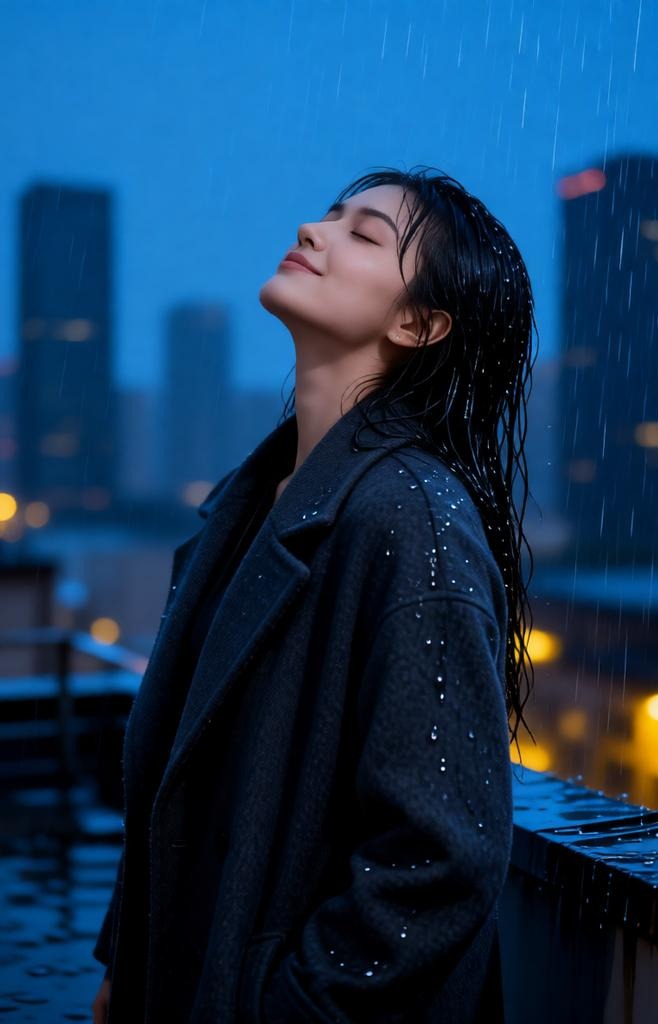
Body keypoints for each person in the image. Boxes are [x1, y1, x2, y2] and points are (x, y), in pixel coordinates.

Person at [92, 163, 538, 1023]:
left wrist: (287, 1008)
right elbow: (180, 778)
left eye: (362, 233)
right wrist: (129, 961)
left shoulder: (412, 519)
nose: (311, 230)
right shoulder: (248, 502)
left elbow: (441, 858)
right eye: (330, 215)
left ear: (419, 323)